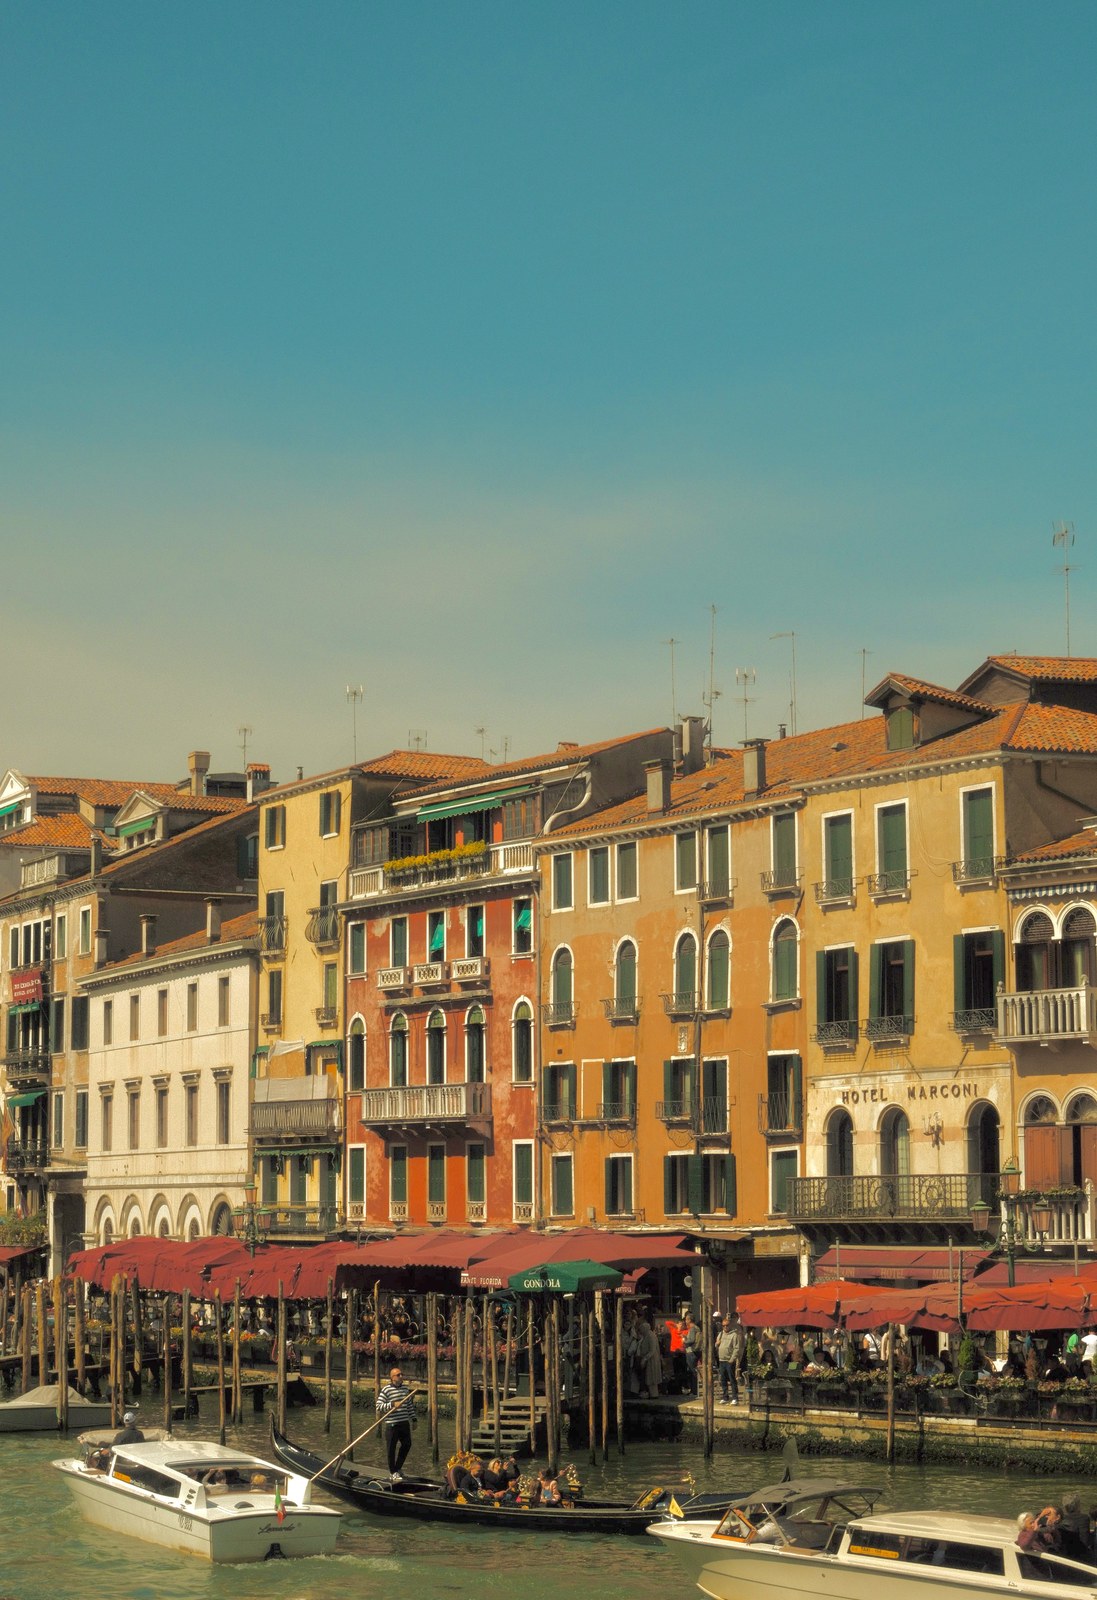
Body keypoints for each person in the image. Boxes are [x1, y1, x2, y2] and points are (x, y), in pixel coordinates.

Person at [375, 1365, 417, 1482]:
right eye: (398, 1375)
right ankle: (392, 1472)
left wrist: (414, 1420)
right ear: (392, 1377)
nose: (401, 1376)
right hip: (392, 1425)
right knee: (391, 1449)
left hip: (404, 1423)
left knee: (407, 1444)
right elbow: (378, 1406)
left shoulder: (405, 1389)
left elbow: (409, 1406)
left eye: (401, 1374)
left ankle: (398, 1468)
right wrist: (392, 1404)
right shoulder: (386, 1390)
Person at [717, 1314, 745, 1405]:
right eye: (723, 1325)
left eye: (727, 1325)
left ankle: (735, 1397)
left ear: (730, 1325)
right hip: (721, 1360)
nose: (725, 1327)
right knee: (723, 1379)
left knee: (732, 1379)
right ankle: (725, 1397)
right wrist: (717, 1344)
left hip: (729, 1360)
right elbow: (716, 1346)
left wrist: (732, 1359)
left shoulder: (734, 1335)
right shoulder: (720, 1334)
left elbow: (736, 1348)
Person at [1058, 1495, 1091, 1562]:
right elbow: (1085, 1538)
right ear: (1077, 1506)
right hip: (1082, 1552)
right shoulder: (1084, 1518)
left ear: (1065, 1507)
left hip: (1066, 1551)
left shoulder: (1061, 1518)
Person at [681, 1312, 702, 1394]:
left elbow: (692, 1340)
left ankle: (694, 1390)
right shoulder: (697, 1328)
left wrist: (685, 1340)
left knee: (692, 1371)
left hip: (691, 1351)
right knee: (693, 1370)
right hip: (696, 1350)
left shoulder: (693, 1328)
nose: (685, 1321)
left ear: (689, 1320)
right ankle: (694, 1389)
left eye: (686, 1319)